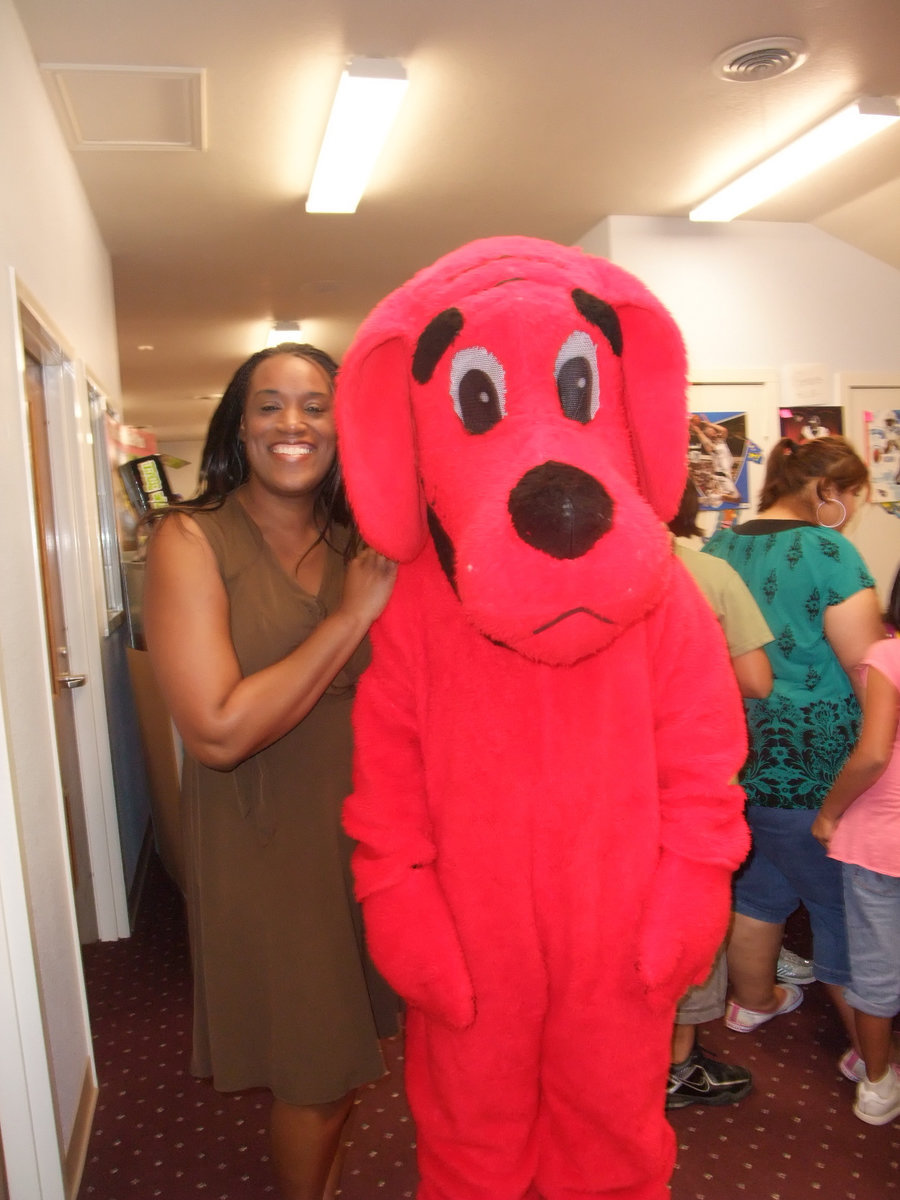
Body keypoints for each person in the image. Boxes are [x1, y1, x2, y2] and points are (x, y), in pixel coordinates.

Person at [142, 343, 398, 1200]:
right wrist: (352, 618)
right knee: (317, 1075)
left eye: (316, 405)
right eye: (270, 405)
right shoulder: (190, 536)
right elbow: (216, 731)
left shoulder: (361, 539)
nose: (294, 424)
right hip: (264, 842)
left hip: (365, 834)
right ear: (238, 424)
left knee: (349, 1052)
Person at [702, 436, 884, 1067]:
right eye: (853, 494)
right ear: (826, 491)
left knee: (762, 883)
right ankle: (871, 1054)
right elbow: (868, 664)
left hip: (739, 746)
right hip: (818, 758)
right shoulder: (828, 550)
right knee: (840, 902)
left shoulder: (720, 542)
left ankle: (752, 999)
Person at [666, 484, 772, 1108]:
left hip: (612, 779)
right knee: (693, 916)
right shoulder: (708, 573)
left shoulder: (579, 571)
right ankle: (677, 1063)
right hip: (696, 773)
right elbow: (756, 679)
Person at [812, 565, 900, 1124]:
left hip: (881, 839)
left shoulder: (888, 656)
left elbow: (872, 754)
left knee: (874, 969)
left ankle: (877, 1083)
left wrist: (829, 812)